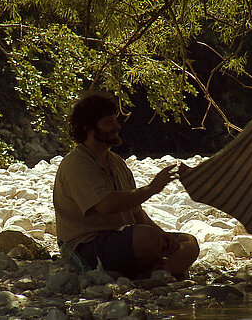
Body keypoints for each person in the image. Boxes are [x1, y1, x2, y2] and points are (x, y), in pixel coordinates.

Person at [53, 92, 199, 280]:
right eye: (109, 123)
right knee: (148, 238)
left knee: (188, 242)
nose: (117, 127)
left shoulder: (116, 162)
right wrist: (153, 188)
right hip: (86, 246)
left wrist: (164, 236)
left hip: (121, 239)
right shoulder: (77, 163)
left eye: (115, 121)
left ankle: (157, 271)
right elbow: (106, 205)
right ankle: (157, 269)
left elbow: (136, 213)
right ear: (88, 128)